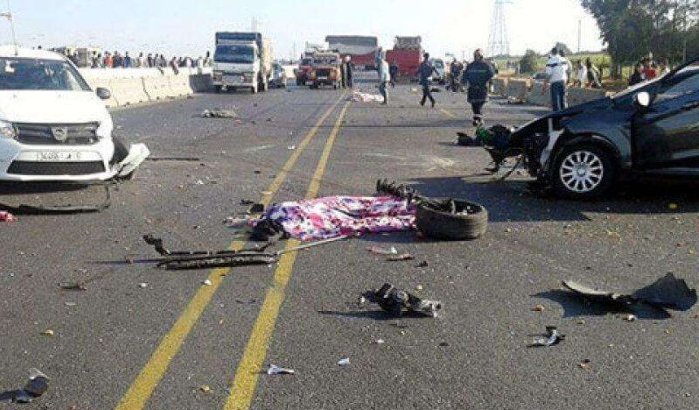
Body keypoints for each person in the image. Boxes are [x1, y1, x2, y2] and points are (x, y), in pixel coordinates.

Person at [462, 49, 495, 127]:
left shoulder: (486, 65)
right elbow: (465, 76)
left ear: (481, 56)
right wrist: (463, 85)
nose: (477, 57)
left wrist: (491, 85)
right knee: (474, 105)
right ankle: (478, 118)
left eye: (478, 55)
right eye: (476, 55)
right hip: (472, 89)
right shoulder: (470, 66)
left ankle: (477, 119)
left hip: (482, 89)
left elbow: (491, 76)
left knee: (479, 104)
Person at [543, 47, 569, 111]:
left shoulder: (550, 61)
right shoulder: (563, 60)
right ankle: (565, 115)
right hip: (563, 82)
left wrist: (545, 84)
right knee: (563, 100)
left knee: (555, 102)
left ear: (552, 52)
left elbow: (549, 74)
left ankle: (556, 116)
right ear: (558, 52)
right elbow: (566, 69)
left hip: (555, 83)